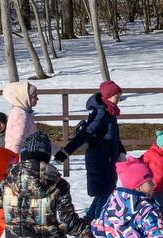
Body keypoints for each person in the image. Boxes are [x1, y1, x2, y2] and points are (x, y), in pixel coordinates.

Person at [54, 80, 126, 219]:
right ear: (107, 97)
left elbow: (114, 137)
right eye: (116, 96)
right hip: (100, 160)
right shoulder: (101, 113)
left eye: (119, 96)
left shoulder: (110, 112)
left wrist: (121, 151)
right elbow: (85, 134)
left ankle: (89, 219)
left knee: (104, 192)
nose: (118, 99)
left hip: (108, 158)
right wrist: (66, 152)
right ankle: (97, 225)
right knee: (105, 193)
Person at [2, 82, 39, 154]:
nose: (37, 98)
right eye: (34, 96)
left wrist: (57, 151)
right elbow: (15, 141)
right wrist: (14, 159)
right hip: (22, 159)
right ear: (24, 97)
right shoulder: (20, 115)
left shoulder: (26, 113)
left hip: (27, 156)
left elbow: (36, 137)